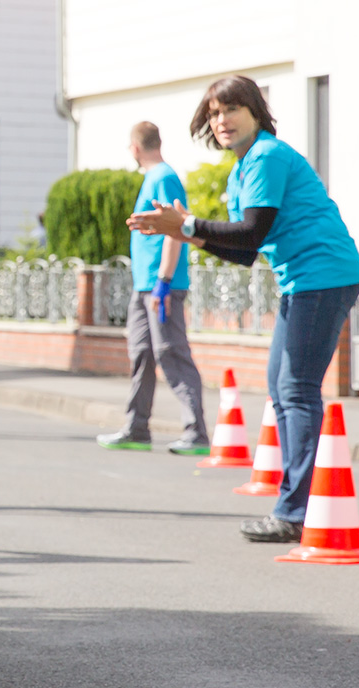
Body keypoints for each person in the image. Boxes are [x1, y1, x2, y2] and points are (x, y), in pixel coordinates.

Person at [127, 75, 359, 543]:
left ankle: (295, 513)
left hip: (323, 275)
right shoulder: (244, 168)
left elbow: (251, 232)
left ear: (257, 112)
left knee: (295, 391)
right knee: (284, 388)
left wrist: (187, 223)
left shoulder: (268, 156)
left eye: (232, 109)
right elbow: (244, 252)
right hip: (305, 280)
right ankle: (298, 505)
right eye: (214, 113)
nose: (222, 120)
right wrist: (182, 233)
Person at [96, 121, 210, 456]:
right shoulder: (154, 177)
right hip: (145, 285)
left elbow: (176, 229)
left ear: (134, 147)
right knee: (142, 354)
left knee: (170, 352)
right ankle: (136, 428)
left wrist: (163, 281)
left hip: (162, 284)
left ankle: (196, 432)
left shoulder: (163, 177)